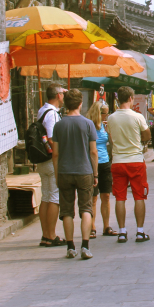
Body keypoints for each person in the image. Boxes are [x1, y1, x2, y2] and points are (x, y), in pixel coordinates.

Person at [51, 89, 98, 259]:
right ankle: (85, 246)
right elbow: (93, 152)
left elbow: (55, 154)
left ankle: (70, 247)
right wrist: (96, 174)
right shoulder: (88, 124)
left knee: (67, 211)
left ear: (65, 103)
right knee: (86, 209)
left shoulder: (59, 125)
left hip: (64, 171)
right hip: (85, 171)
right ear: (80, 103)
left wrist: (57, 174)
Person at [107, 86, 151, 243]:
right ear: (131, 98)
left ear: (118, 99)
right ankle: (140, 232)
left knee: (120, 197)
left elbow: (111, 138)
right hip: (135, 161)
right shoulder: (137, 117)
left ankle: (122, 231)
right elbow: (147, 134)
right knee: (139, 196)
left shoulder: (111, 118)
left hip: (118, 161)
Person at [36, 84, 65, 248]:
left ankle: (45, 234)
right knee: (54, 197)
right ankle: (51, 234)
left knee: (46, 196)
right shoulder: (52, 114)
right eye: (63, 93)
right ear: (58, 95)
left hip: (42, 160)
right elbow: (53, 139)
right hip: (51, 160)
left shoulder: (42, 110)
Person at [86, 100, 115, 238]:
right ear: (98, 113)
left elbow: (111, 143)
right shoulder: (89, 126)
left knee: (106, 195)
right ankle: (92, 227)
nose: (106, 116)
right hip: (92, 164)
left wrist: (109, 132)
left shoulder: (104, 126)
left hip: (105, 162)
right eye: (105, 113)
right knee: (93, 197)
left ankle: (106, 226)